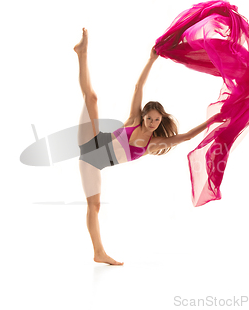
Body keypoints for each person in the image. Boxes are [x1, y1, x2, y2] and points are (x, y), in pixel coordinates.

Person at [74, 28, 218, 265]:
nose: (152, 123)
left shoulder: (154, 143)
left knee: (95, 205)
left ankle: (98, 253)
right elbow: (138, 87)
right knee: (92, 98)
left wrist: (212, 120)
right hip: (91, 140)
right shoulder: (133, 120)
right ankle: (82, 53)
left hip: (91, 162)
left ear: (161, 121)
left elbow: (187, 136)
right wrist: (151, 60)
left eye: (156, 120)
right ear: (143, 117)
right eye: (149, 118)